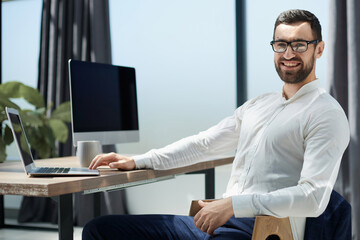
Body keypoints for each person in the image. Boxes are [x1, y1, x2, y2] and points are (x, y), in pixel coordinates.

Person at [82, 9, 350, 240]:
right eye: (281, 44)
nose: (289, 53)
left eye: (299, 45)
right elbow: (204, 145)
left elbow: (312, 198)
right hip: (217, 221)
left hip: (261, 230)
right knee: (99, 229)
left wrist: (234, 205)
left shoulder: (325, 113)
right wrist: (139, 160)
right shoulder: (259, 105)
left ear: (319, 48)